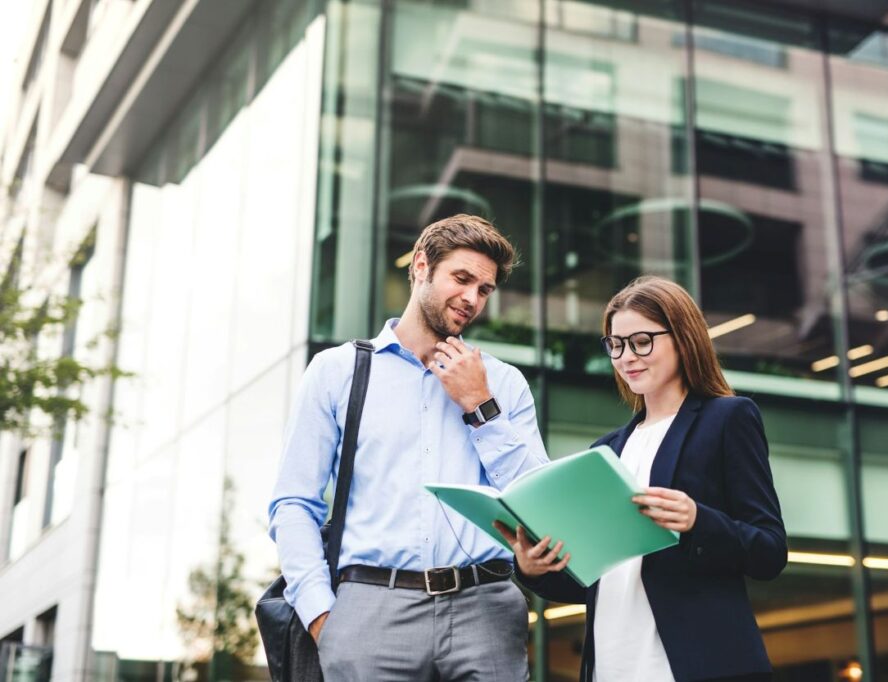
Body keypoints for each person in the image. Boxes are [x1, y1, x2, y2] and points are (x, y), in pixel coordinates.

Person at [269, 214, 548, 681]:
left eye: (484, 290)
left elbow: (537, 500)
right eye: (461, 279)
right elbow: (294, 502)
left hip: (486, 610)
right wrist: (320, 615)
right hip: (371, 612)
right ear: (421, 266)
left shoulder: (503, 383)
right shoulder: (337, 371)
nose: (471, 299)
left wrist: (481, 405)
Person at [498, 275, 787, 682]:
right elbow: (593, 580)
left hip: (693, 664)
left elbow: (769, 550)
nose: (626, 356)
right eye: (616, 344)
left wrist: (697, 521)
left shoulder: (728, 418)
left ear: (683, 338)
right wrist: (533, 568)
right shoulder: (608, 449)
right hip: (612, 664)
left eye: (641, 342)